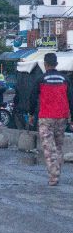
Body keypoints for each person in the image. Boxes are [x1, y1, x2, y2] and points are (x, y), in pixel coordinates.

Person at [30, 53, 73, 186]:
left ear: (45, 64)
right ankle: (57, 171)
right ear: (56, 64)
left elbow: (32, 98)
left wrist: (31, 114)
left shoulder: (41, 79)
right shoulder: (65, 79)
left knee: (48, 147)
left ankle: (54, 176)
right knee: (58, 146)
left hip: (46, 117)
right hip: (62, 117)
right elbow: (71, 99)